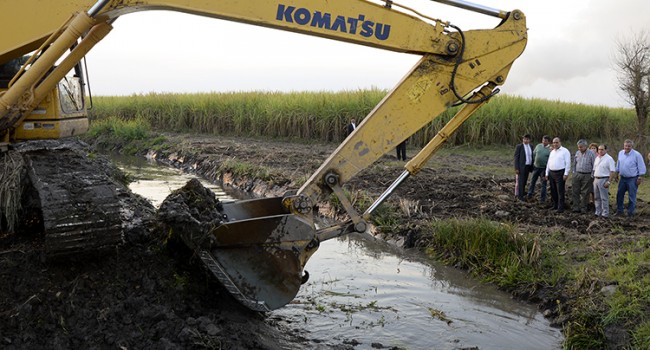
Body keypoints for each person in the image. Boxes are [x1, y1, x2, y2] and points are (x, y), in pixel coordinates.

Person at [615, 139, 647, 217]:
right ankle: (620, 211)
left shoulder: (637, 155)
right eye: (626, 146)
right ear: (623, 145)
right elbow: (618, 163)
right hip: (622, 178)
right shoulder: (620, 153)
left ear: (632, 146)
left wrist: (639, 177)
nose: (627, 147)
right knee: (619, 195)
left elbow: (641, 166)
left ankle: (631, 213)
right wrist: (616, 173)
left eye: (629, 146)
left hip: (632, 179)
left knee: (632, 196)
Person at [545, 137, 571, 213]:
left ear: (560, 142)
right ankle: (555, 205)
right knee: (553, 190)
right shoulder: (552, 152)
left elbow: (568, 163)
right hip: (552, 173)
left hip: (560, 173)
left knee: (560, 190)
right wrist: (547, 173)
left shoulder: (565, 151)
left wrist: (566, 173)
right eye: (554, 142)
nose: (555, 144)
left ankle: (561, 207)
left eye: (557, 142)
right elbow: (548, 163)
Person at [571, 139, 596, 213]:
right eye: (578, 147)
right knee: (575, 191)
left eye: (581, 147)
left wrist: (592, 175)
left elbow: (594, 165)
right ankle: (576, 207)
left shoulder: (591, 154)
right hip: (578, 174)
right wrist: (574, 172)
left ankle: (583, 207)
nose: (579, 148)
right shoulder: (577, 153)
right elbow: (574, 163)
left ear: (585, 146)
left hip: (587, 175)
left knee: (585, 192)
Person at [592, 144, 616, 218]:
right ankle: (598, 211)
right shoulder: (597, 158)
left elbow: (612, 171)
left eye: (602, 149)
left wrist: (609, 181)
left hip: (604, 179)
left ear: (606, 150)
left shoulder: (609, 159)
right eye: (599, 149)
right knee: (596, 197)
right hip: (596, 179)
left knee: (604, 197)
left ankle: (605, 213)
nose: (600, 151)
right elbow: (594, 169)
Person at [527, 135, 551, 203]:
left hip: (543, 169)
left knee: (543, 184)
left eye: (545, 141)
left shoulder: (550, 149)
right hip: (536, 167)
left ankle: (542, 199)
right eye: (543, 140)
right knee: (532, 181)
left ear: (548, 142)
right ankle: (529, 194)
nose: (543, 142)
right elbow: (534, 154)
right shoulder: (538, 146)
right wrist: (534, 162)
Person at [514, 134, 534, 201]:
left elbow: (532, 156)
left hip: (528, 166)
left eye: (527, 139)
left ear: (529, 140)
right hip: (521, 167)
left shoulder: (531, 146)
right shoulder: (519, 146)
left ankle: (522, 192)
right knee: (521, 181)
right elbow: (516, 157)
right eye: (524, 139)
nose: (525, 140)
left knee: (525, 180)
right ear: (523, 139)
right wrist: (516, 168)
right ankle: (520, 196)